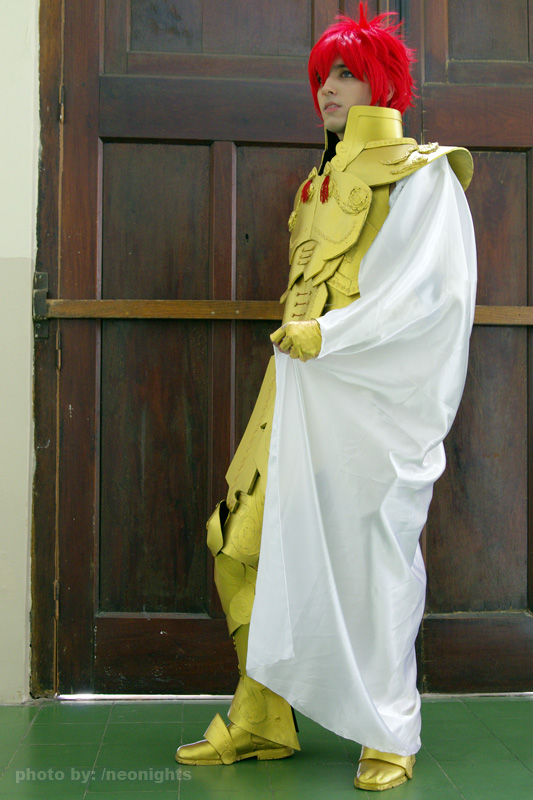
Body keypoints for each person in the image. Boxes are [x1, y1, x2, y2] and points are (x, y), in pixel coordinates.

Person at [176, 3, 476, 792]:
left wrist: (330, 336)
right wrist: (308, 345)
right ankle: (261, 718)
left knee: (372, 564)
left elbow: (429, 296)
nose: (327, 89)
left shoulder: (424, 174)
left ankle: (389, 730)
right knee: (239, 543)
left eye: (345, 73)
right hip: (296, 387)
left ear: (384, 84)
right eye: (321, 76)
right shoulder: (318, 183)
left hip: (370, 403)